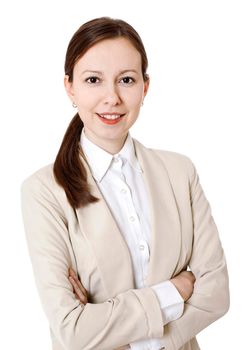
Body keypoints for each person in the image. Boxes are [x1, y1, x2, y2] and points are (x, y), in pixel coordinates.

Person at [21, 17, 229, 350]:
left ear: (145, 87)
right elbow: (72, 330)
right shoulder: (43, 191)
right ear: (70, 87)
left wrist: (117, 329)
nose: (112, 97)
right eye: (93, 80)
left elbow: (216, 294)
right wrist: (175, 290)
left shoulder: (180, 172)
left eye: (126, 80)